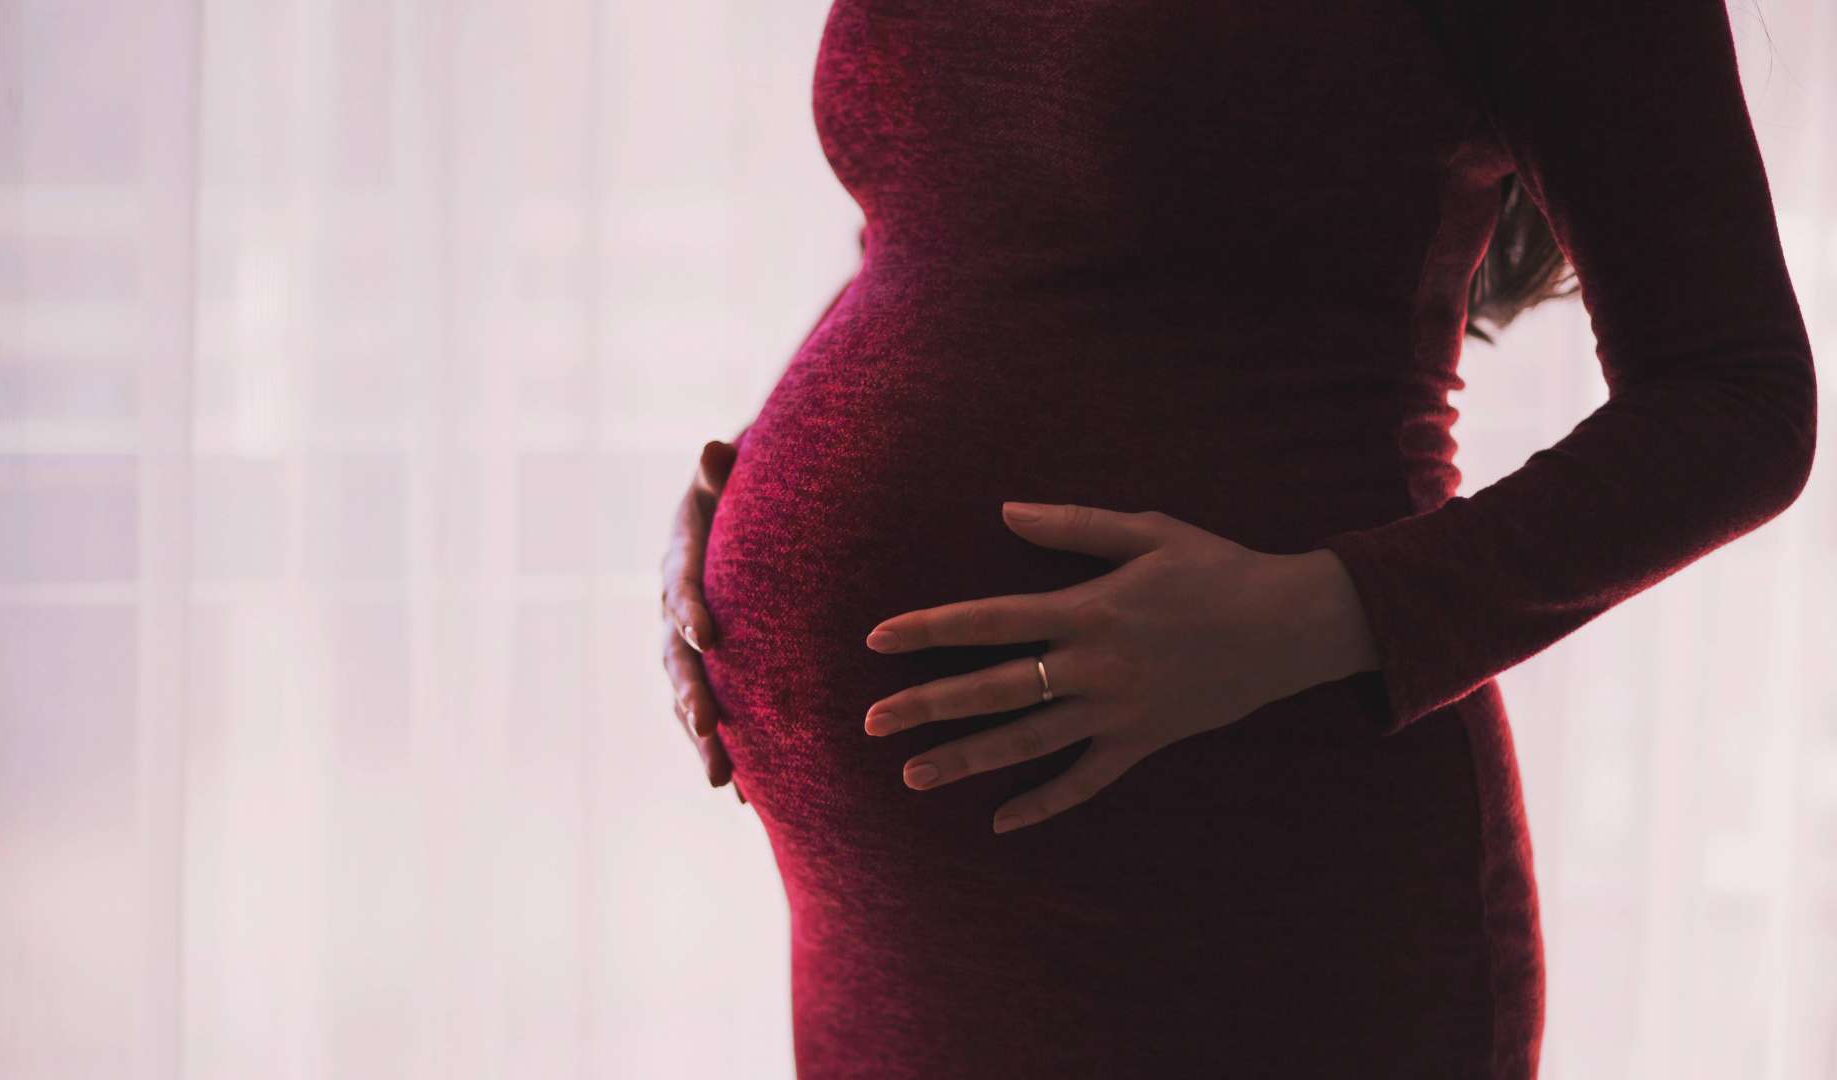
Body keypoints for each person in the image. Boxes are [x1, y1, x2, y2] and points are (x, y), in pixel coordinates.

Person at [657, 1, 1817, 1076]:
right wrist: (752, 482)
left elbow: (1739, 401)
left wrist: (1315, 614)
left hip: (1241, 882)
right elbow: (941, 237)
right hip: (885, 945)